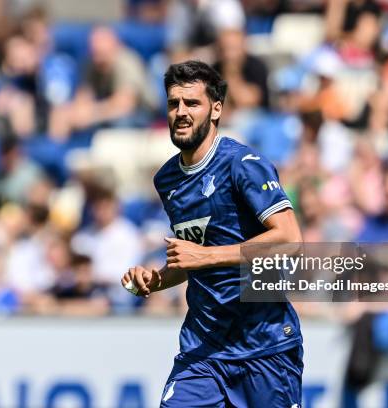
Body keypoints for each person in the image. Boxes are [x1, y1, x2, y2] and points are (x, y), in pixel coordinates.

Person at [121, 61, 304, 407]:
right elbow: (193, 257)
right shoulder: (167, 181)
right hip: (203, 351)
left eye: (192, 103)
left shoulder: (243, 164)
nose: (181, 112)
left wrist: (203, 257)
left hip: (263, 347)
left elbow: (290, 239)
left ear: (216, 109)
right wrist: (155, 279)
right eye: (174, 103)